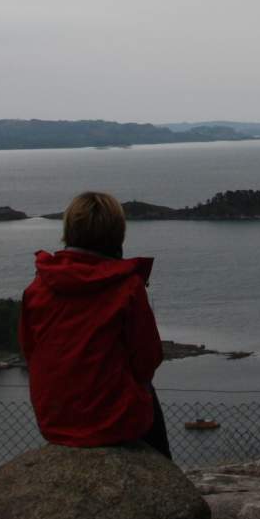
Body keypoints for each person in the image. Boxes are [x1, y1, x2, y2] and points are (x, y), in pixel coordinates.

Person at [19, 190, 171, 459]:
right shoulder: (127, 288)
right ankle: (162, 468)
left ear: (69, 230)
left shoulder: (38, 288)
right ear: (117, 233)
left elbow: (29, 350)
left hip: (54, 422)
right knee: (147, 392)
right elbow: (147, 360)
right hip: (114, 423)